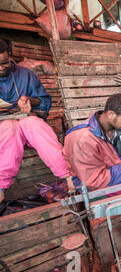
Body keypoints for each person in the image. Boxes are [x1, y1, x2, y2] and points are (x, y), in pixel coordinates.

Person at [0, 39, 72, 202]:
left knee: (33, 124)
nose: (2, 68)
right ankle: (1, 188)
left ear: (9, 57)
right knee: (9, 128)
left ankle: (68, 176)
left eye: (5, 63)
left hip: (27, 123)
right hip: (4, 129)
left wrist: (30, 101)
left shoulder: (25, 74)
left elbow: (44, 100)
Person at [63, 94, 121, 191]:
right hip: (97, 191)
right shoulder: (81, 140)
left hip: (119, 180)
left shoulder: (120, 130)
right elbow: (94, 181)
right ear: (111, 115)